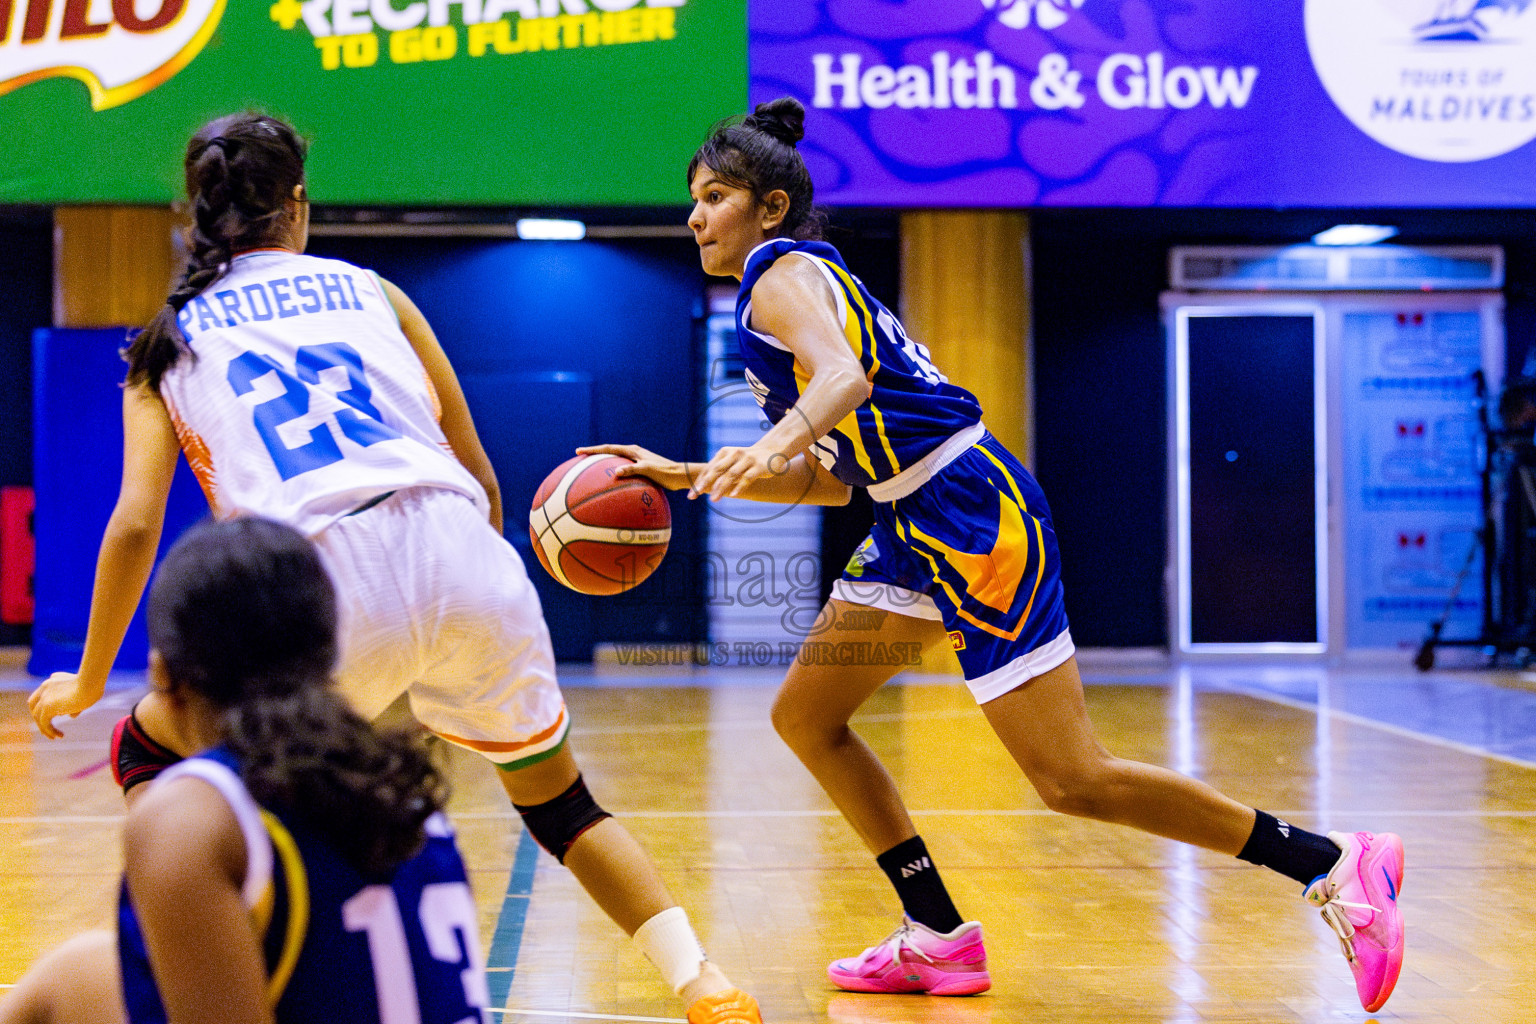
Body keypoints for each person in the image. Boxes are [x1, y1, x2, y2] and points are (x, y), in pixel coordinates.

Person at [581, 97, 1407, 1013]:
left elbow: (846, 382)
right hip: (905, 519)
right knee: (808, 715)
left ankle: (1331, 864)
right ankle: (936, 933)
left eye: (717, 195)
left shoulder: (780, 273)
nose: (696, 214)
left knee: (1071, 780)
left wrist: (769, 446)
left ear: (769, 210)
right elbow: (833, 479)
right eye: (692, 198)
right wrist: (692, 470)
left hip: (971, 509)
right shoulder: (777, 300)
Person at [24, 113, 761, 1024]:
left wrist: (89, 676)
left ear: (200, 210)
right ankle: (706, 985)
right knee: (562, 807)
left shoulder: (166, 336)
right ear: (298, 204)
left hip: (321, 585)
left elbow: (136, 522)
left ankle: (214, 964)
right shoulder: (374, 290)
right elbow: (478, 470)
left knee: (151, 749)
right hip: (460, 546)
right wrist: (464, 612)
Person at [2, 516, 488, 1024]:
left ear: (163, 673)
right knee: (73, 977)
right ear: (330, 656)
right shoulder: (409, 792)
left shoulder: (193, 817)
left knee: (62, 987)